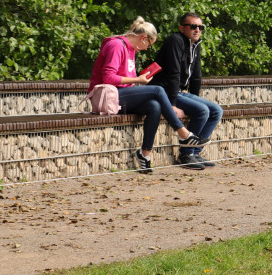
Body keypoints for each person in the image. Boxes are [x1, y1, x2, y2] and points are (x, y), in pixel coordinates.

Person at [89, 17, 208, 174]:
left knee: (154, 106)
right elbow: (108, 78)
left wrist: (139, 79)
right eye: (149, 45)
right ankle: (183, 133)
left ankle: (145, 154)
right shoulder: (116, 45)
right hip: (107, 97)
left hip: (119, 96)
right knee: (157, 90)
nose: (146, 49)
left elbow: (125, 81)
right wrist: (138, 80)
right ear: (143, 38)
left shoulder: (130, 49)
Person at [151, 12, 223, 170]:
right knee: (202, 111)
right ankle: (186, 154)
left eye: (200, 27)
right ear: (182, 28)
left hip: (179, 91)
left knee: (216, 110)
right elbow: (174, 73)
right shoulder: (175, 41)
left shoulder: (195, 44)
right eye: (193, 26)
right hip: (163, 90)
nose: (197, 30)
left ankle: (195, 152)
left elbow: (196, 76)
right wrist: (172, 105)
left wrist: (193, 99)